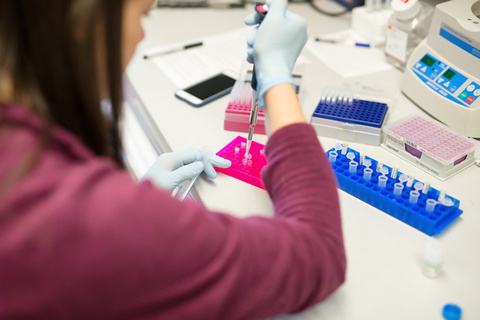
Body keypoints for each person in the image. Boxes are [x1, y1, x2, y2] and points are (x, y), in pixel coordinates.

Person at [0, 0, 346, 319]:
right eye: (143, 15)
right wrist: (277, 79)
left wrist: (136, 197)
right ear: (83, 20)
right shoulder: (82, 217)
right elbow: (316, 254)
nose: (141, 35)